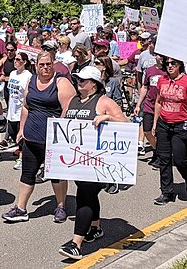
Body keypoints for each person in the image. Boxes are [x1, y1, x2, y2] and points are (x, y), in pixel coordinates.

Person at [57, 66, 128, 260]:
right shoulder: (72, 101)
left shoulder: (104, 102)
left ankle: (76, 244)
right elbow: (63, 126)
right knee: (86, 194)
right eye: (78, 78)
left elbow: (127, 126)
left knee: (84, 196)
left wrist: (108, 117)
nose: (79, 82)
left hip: (98, 163)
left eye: (83, 80)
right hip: (77, 162)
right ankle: (95, 228)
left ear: (94, 84)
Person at [2, 52, 75, 223]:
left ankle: (61, 206)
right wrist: (21, 129)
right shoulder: (31, 81)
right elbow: (26, 106)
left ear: (54, 64)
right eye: (41, 65)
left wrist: (62, 135)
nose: (45, 68)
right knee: (27, 173)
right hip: (31, 137)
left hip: (53, 139)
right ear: (36, 66)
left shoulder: (61, 82)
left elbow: (69, 110)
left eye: (48, 64)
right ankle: (20, 208)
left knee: (56, 175)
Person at [152, 57, 187, 205]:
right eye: (167, 63)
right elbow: (158, 102)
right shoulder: (162, 80)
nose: (170, 66)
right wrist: (155, 124)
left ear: (179, 65)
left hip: (181, 125)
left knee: (179, 160)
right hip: (164, 124)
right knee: (164, 159)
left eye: (173, 63)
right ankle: (167, 192)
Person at [134, 51, 165, 166]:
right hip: (149, 105)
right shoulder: (150, 70)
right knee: (147, 130)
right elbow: (145, 87)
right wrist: (138, 105)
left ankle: (160, 155)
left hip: (163, 106)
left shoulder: (168, 70)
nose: (160, 57)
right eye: (158, 55)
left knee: (159, 132)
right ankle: (157, 151)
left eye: (161, 55)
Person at [5, 51, 33, 170]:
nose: (15, 62)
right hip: (12, 109)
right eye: (15, 59)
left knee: (21, 136)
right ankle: (21, 153)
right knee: (12, 133)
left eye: (18, 60)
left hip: (22, 110)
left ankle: (22, 158)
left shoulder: (28, 76)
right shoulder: (12, 74)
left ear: (24, 62)